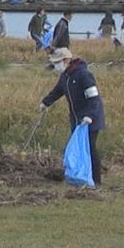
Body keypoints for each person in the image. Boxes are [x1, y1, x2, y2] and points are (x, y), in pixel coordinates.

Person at [40, 47, 106, 187]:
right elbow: (58, 91)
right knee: (78, 149)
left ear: (66, 60)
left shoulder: (83, 75)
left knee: (90, 148)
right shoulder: (65, 76)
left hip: (90, 119)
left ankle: (96, 180)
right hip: (77, 119)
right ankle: (81, 176)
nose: (56, 66)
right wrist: (46, 102)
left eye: (58, 62)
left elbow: (94, 98)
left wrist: (89, 116)